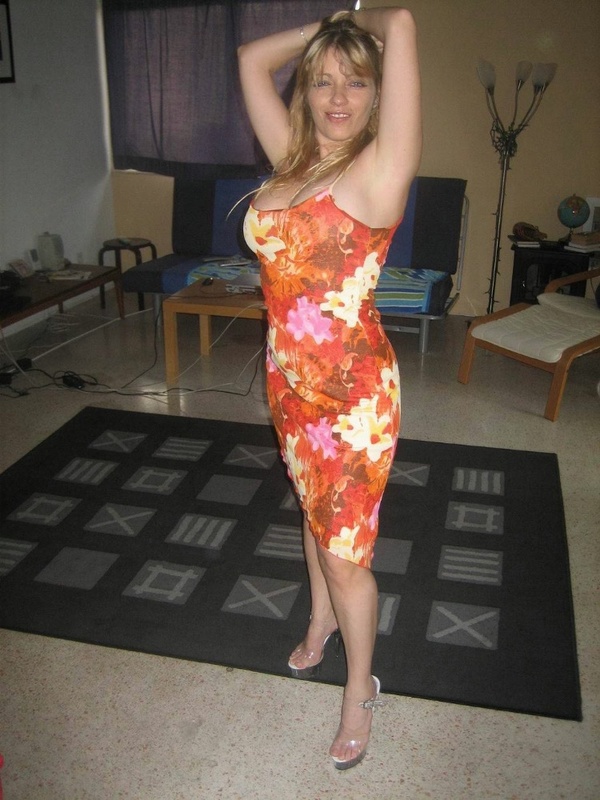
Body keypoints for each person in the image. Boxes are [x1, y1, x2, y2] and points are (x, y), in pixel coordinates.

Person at [238, 6, 421, 770]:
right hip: (288, 384)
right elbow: (251, 59)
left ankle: (359, 689)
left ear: (377, 94)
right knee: (311, 510)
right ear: (305, 91)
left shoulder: (379, 169)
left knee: (346, 554)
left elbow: (402, 19)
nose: (338, 97)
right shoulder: (292, 161)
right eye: (322, 81)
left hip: (352, 400)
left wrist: (363, 22)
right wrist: (327, 24)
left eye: (356, 82)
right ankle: (318, 623)